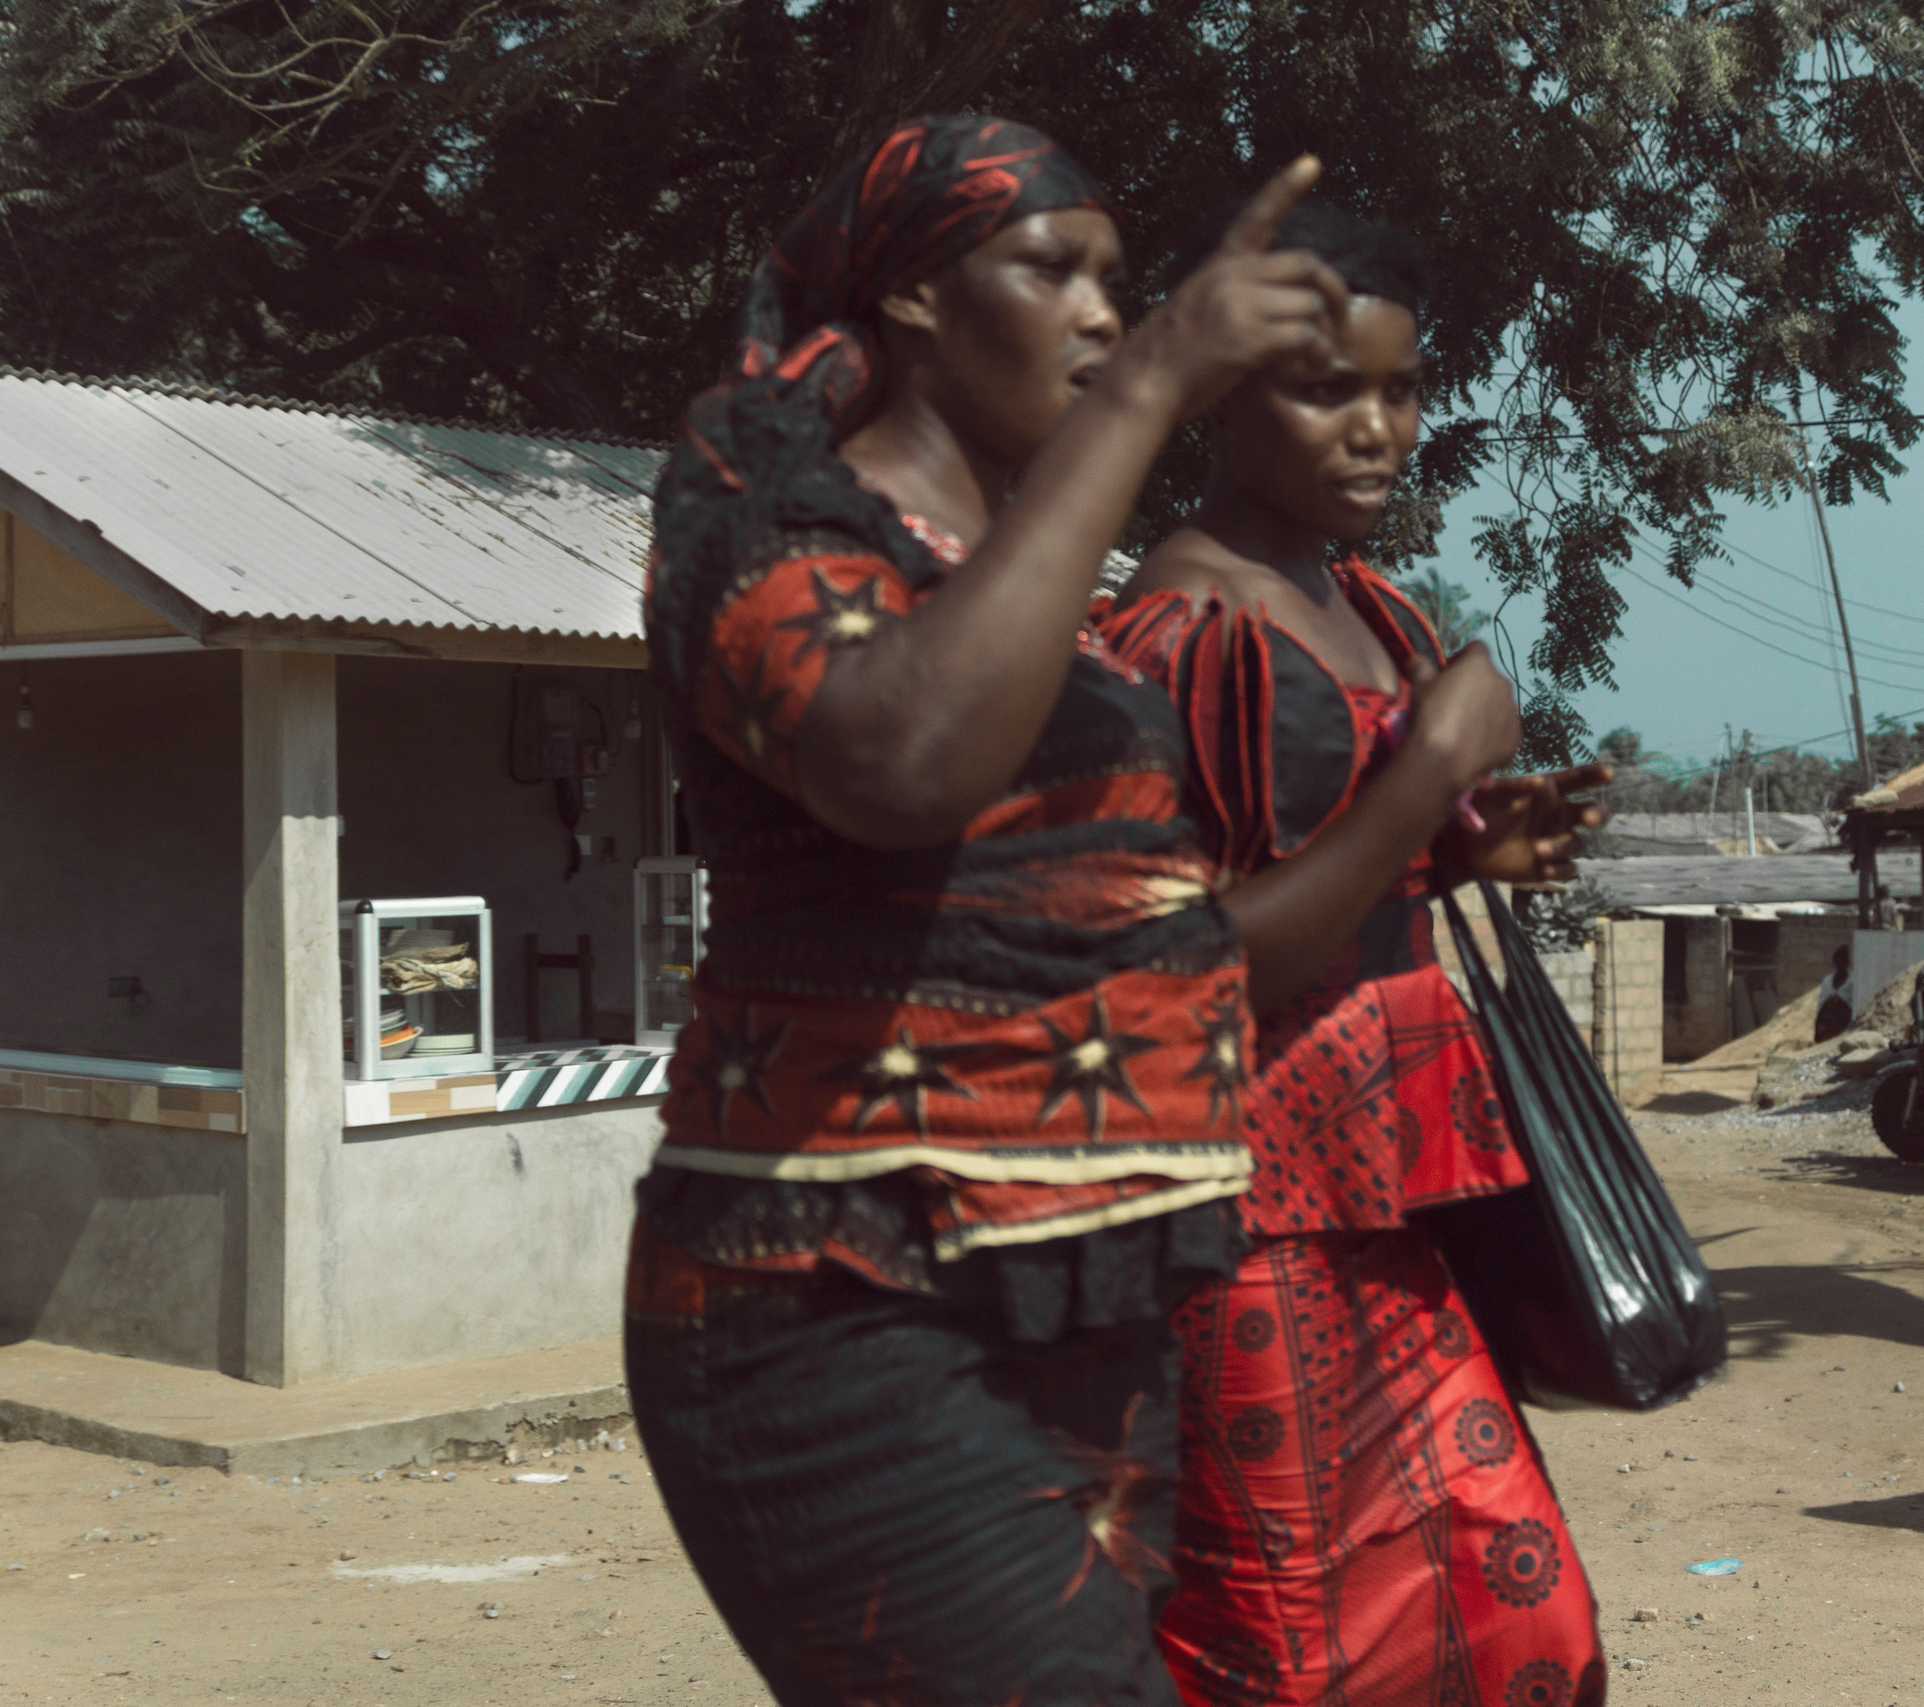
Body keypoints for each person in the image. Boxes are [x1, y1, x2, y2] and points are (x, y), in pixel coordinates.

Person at [627, 122, 1427, 1707]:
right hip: (848, 1297)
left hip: (1081, 1293)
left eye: (1123, 290)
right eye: (1051, 270)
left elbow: (1129, 915)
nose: (1103, 319)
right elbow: (900, 760)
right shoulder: (766, 514)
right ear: (914, 298)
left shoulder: (1036, 581)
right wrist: (1148, 398)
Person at [1105, 198, 1608, 1707]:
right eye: (1331, 389)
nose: (1378, 427)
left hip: (1396, 1195)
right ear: (1222, 396)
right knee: (1281, 1642)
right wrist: (1421, 774)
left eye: (1401, 389)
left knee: (1514, 1613)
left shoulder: (1365, 603)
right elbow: (1187, 966)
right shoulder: (1170, 631)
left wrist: (1465, 843)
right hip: (1242, 1213)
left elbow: (1343, 864)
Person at [1815, 943, 1854, 1040]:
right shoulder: (1828, 980)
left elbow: (1854, 1006)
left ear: (1847, 962)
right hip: (1827, 1024)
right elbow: (1821, 1006)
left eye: (1842, 961)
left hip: (1844, 1022)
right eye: (1838, 961)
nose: (1840, 964)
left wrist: (1840, 1002)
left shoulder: (1853, 980)